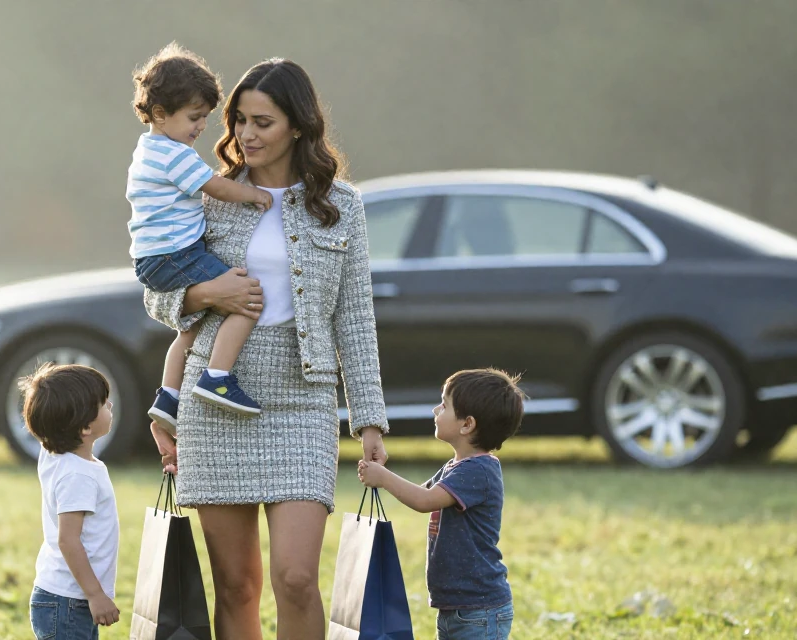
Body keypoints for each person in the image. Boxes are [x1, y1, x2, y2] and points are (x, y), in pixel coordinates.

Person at [144, 57, 389, 639]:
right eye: (240, 122)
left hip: (303, 404)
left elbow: (355, 318)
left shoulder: (343, 206)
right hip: (215, 403)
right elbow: (156, 293)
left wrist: (370, 419)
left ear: (298, 127)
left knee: (297, 577)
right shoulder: (208, 197)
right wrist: (207, 292)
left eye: (263, 122)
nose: (247, 135)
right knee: (235, 585)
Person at [128, 43, 274, 433]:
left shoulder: (147, 150)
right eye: (194, 117)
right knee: (246, 298)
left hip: (154, 259)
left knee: (189, 327)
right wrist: (256, 194)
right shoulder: (175, 154)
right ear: (160, 114)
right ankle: (217, 377)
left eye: (204, 118)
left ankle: (168, 396)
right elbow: (217, 188)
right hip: (175, 253)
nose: (199, 127)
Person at [358, 368, 526, 640]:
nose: (436, 409)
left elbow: (424, 501)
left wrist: (383, 478)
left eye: (445, 405)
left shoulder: (478, 471)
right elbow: (421, 491)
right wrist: (384, 470)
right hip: (456, 607)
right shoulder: (457, 467)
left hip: (479, 610)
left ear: (467, 424)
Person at [19, 363, 121, 639]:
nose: (110, 404)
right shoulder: (78, 476)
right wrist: (95, 594)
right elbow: (68, 540)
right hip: (69, 602)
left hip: (62, 598)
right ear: (85, 427)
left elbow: (49, 419)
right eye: (102, 402)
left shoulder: (54, 454)